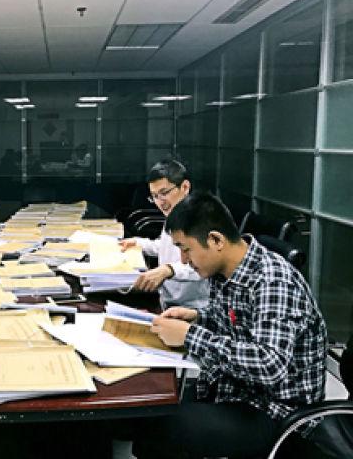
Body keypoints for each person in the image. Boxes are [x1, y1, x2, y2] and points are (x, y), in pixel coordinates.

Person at [132, 192, 327, 459]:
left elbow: (269, 365)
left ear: (216, 240)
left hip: (276, 411)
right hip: (236, 389)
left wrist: (190, 336)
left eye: (186, 249)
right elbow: (232, 322)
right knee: (148, 409)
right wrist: (196, 317)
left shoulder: (272, 280)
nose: (184, 260)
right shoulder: (225, 270)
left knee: (163, 427)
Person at [120, 159, 209, 310]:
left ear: (185, 187)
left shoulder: (202, 219)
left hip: (193, 309)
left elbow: (204, 267)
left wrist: (169, 270)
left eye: (164, 193)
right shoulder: (174, 214)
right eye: (154, 196)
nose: (160, 202)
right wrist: (139, 243)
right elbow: (165, 247)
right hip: (166, 301)